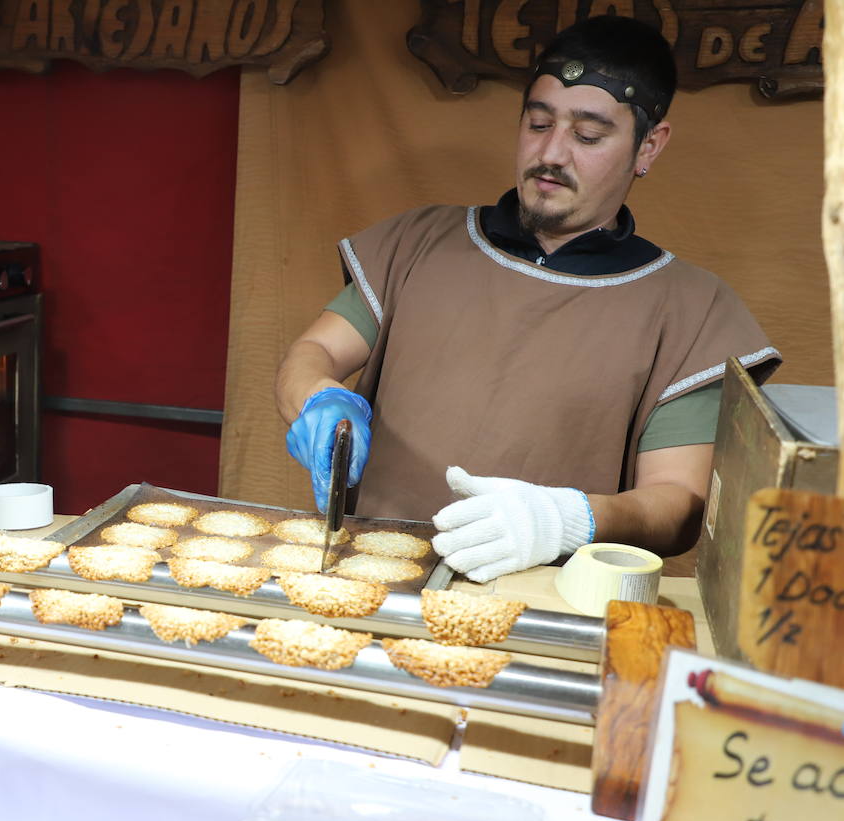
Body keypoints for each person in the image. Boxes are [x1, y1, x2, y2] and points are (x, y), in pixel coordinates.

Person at [275, 15, 779, 583]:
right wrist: (319, 398)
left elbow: (677, 503)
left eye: (587, 136)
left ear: (649, 146)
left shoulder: (691, 311)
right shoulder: (418, 243)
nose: (553, 153)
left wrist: (565, 519)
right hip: (364, 577)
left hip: (541, 608)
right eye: (538, 124)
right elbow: (314, 349)